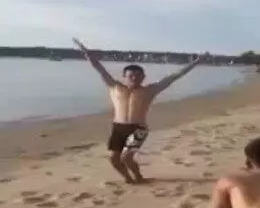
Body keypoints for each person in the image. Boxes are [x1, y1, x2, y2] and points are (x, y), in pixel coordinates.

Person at [73, 38, 203, 183]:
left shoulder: (150, 90)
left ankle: (139, 177)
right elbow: (99, 68)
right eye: (131, 76)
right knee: (114, 159)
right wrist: (87, 54)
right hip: (118, 127)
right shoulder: (114, 87)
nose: (134, 78)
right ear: (125, 76)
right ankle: (128, 178)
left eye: (138, 76)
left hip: (139, 128)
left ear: (143, 77)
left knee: (127, 157)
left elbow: (174, 76)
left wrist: (195, 63)